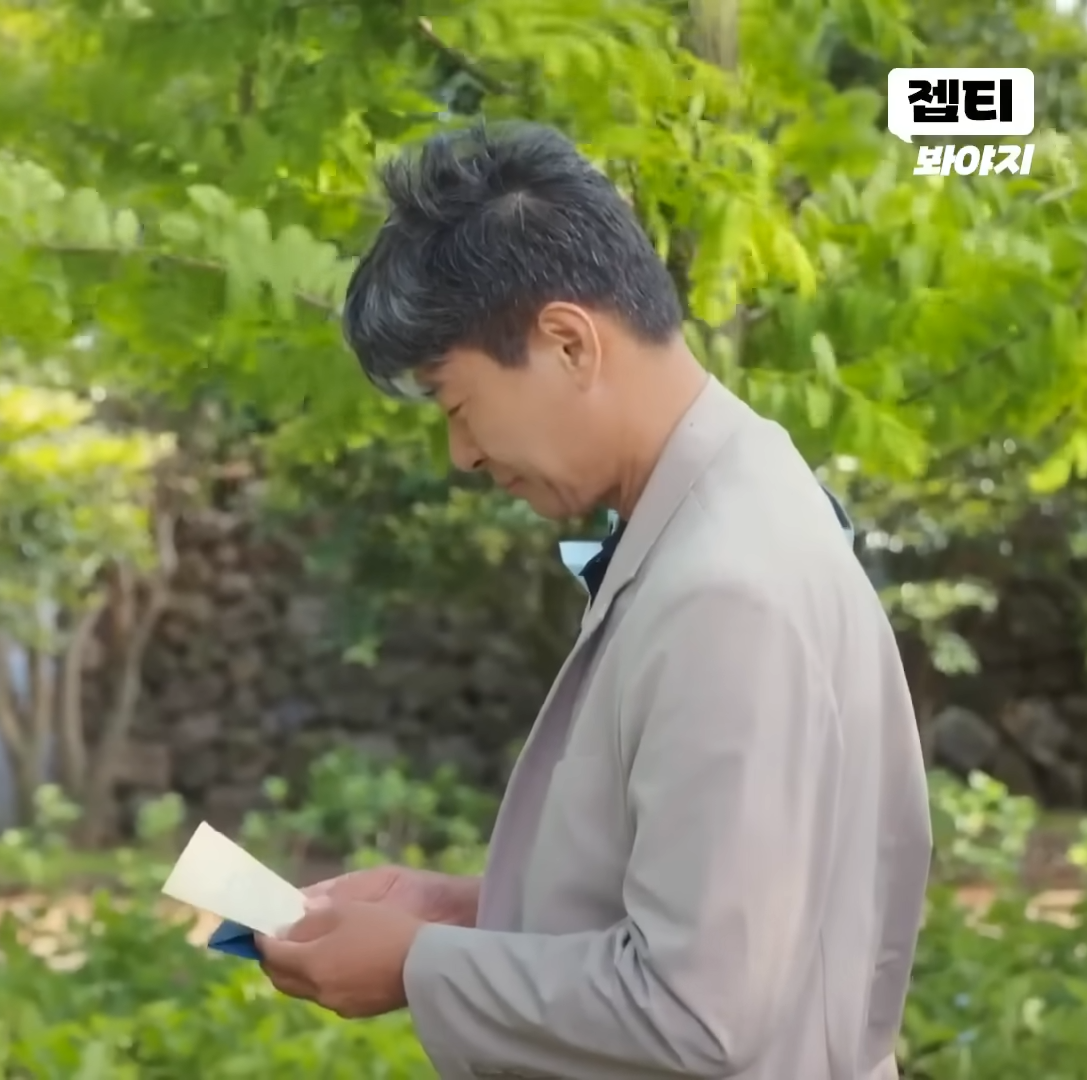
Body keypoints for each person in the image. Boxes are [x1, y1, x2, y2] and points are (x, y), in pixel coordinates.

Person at [253, 122, 933, 1079]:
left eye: (455, 404)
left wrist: (418, 965)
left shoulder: (723, 592)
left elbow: (697, 1012)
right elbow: (725, 909)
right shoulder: (738, 502)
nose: (462, 454)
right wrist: (462, 912)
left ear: (568, 342)